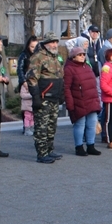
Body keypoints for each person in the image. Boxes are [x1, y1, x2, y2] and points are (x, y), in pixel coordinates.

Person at [26, 33, 66, 163]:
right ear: (45, 44)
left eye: (56, 42)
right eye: (52, 42)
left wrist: (62, 93)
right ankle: (42, 154)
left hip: (54, 97)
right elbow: (32, 78)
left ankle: (49, 150)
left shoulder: (56, 58)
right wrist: (36, 97)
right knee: (41, 128)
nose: (55, 45)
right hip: (43, 98)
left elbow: (60, 77)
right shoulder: (38, 57)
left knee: (51, 127)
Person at [63, 46, 102, 155]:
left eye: (83, 54)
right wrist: (70, 104)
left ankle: (91, 145)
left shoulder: (87, 66)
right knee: (80, 124)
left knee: (92, 123)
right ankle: (79, 147)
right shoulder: (69, 69)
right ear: (73, 57)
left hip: (91, 100)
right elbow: (66, 88)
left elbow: (94, 85)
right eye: (79, 55)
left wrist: (97, 100)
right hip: (78, 101)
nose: (82, 56)